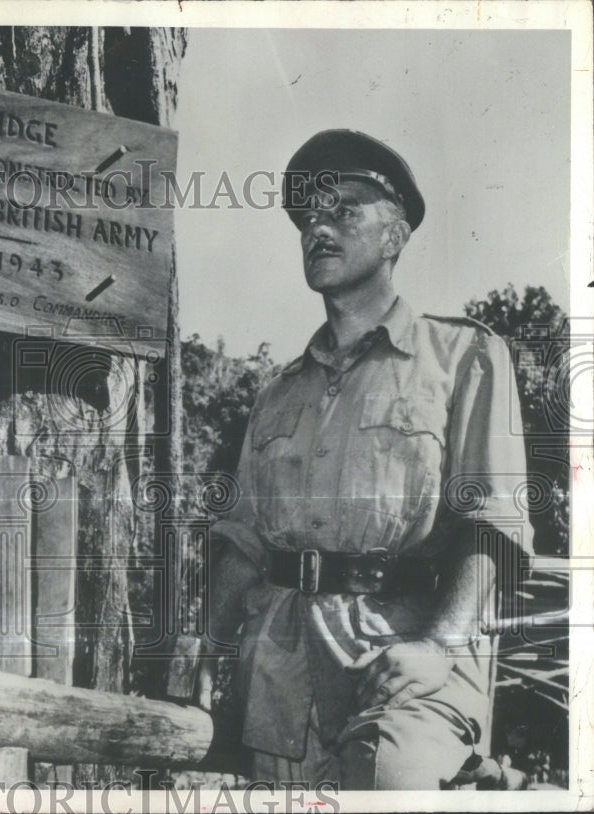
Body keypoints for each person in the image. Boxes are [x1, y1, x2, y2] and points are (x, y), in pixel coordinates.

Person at [197, 130, 533, 790]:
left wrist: (440, 646)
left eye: (343, 209)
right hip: (282, 675)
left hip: (410, 655)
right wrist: (206, 656)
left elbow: (492, 526)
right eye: (308, 219)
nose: (318, 228)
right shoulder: (276, 396)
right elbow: (241, 542)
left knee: (389, 778)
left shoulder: (463, 357)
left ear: (394, 236)